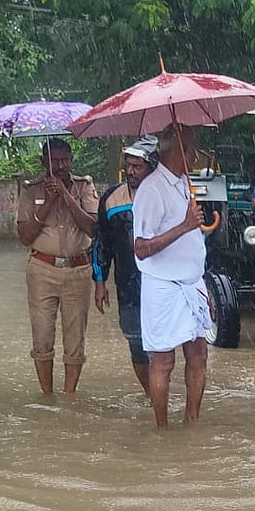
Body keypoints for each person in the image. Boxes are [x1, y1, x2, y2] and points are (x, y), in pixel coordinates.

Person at [133, 124, 215, 427]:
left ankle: (191, 420)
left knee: (198, 355)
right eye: (192, 148)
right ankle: (162, 427)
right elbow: (140, 248)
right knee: (164, 361)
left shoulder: (184, 183)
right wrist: (184, 226)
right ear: (179, 150)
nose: (195, 155)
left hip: (192, 283)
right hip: (163, 288)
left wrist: (203, 288)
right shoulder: (152, 189)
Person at [17, 138, 99, 395]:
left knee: (75, 340)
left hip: (78, 269)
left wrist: (65, 195)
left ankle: (70, 396)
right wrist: (50, 201)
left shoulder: (85, 186)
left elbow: (93, 228)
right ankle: (47, 396)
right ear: (44, 163)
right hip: (42, 270)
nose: (61, 165)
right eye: (55, 160)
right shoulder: (31, 190)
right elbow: (24, 236)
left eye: (66, 159)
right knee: (42, 337)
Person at [92, 136, 159, 396]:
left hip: (163, 281)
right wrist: (100, 282)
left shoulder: (168, 195)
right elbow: (102, 243)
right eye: (128, 165)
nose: (130, 171)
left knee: (165, 344)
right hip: (128, 285)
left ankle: (162, 390)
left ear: (152, 167)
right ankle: (151, 394)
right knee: (136, 343)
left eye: (137, 166)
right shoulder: (112, 198)